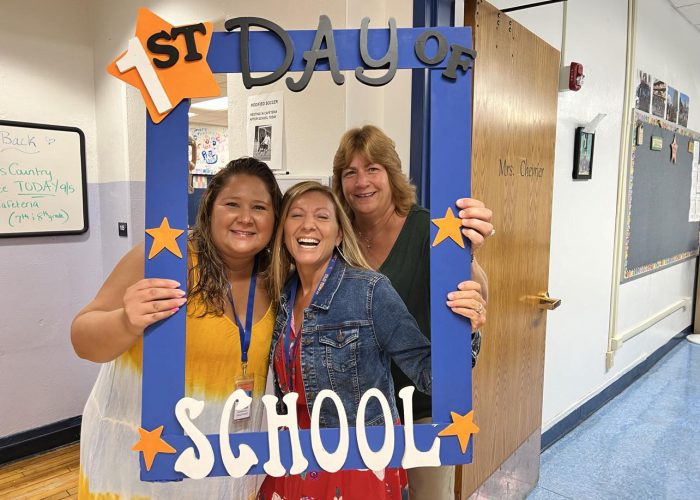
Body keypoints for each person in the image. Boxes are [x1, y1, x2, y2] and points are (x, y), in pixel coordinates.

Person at [71, 158, 282, 499]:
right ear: (209, 207)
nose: (245, 217)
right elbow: (82, 338)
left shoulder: (277, 278)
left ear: (275, 219)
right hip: (140, 461)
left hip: (224, 465)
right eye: (232, 204)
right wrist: (126, 321)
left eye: (259, 207)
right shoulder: (167, 259)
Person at [332, 125, 493, 500]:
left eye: (373, 169)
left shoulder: (429, 228)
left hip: (424, 405)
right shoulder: (338, 236)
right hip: (360, 411)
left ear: (392, 174)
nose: (361, 181)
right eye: (350, 172)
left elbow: (475, 282)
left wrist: (475, 284)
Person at [259, 181, 447, 499]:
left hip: (356, 457)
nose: (308, 225)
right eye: (297, 215)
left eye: (322, 216)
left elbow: (431, 373)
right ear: (283, 231)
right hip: (294, 451)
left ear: (340, 233)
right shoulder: (280, 293)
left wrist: (464, 330)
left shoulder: (371, 290)